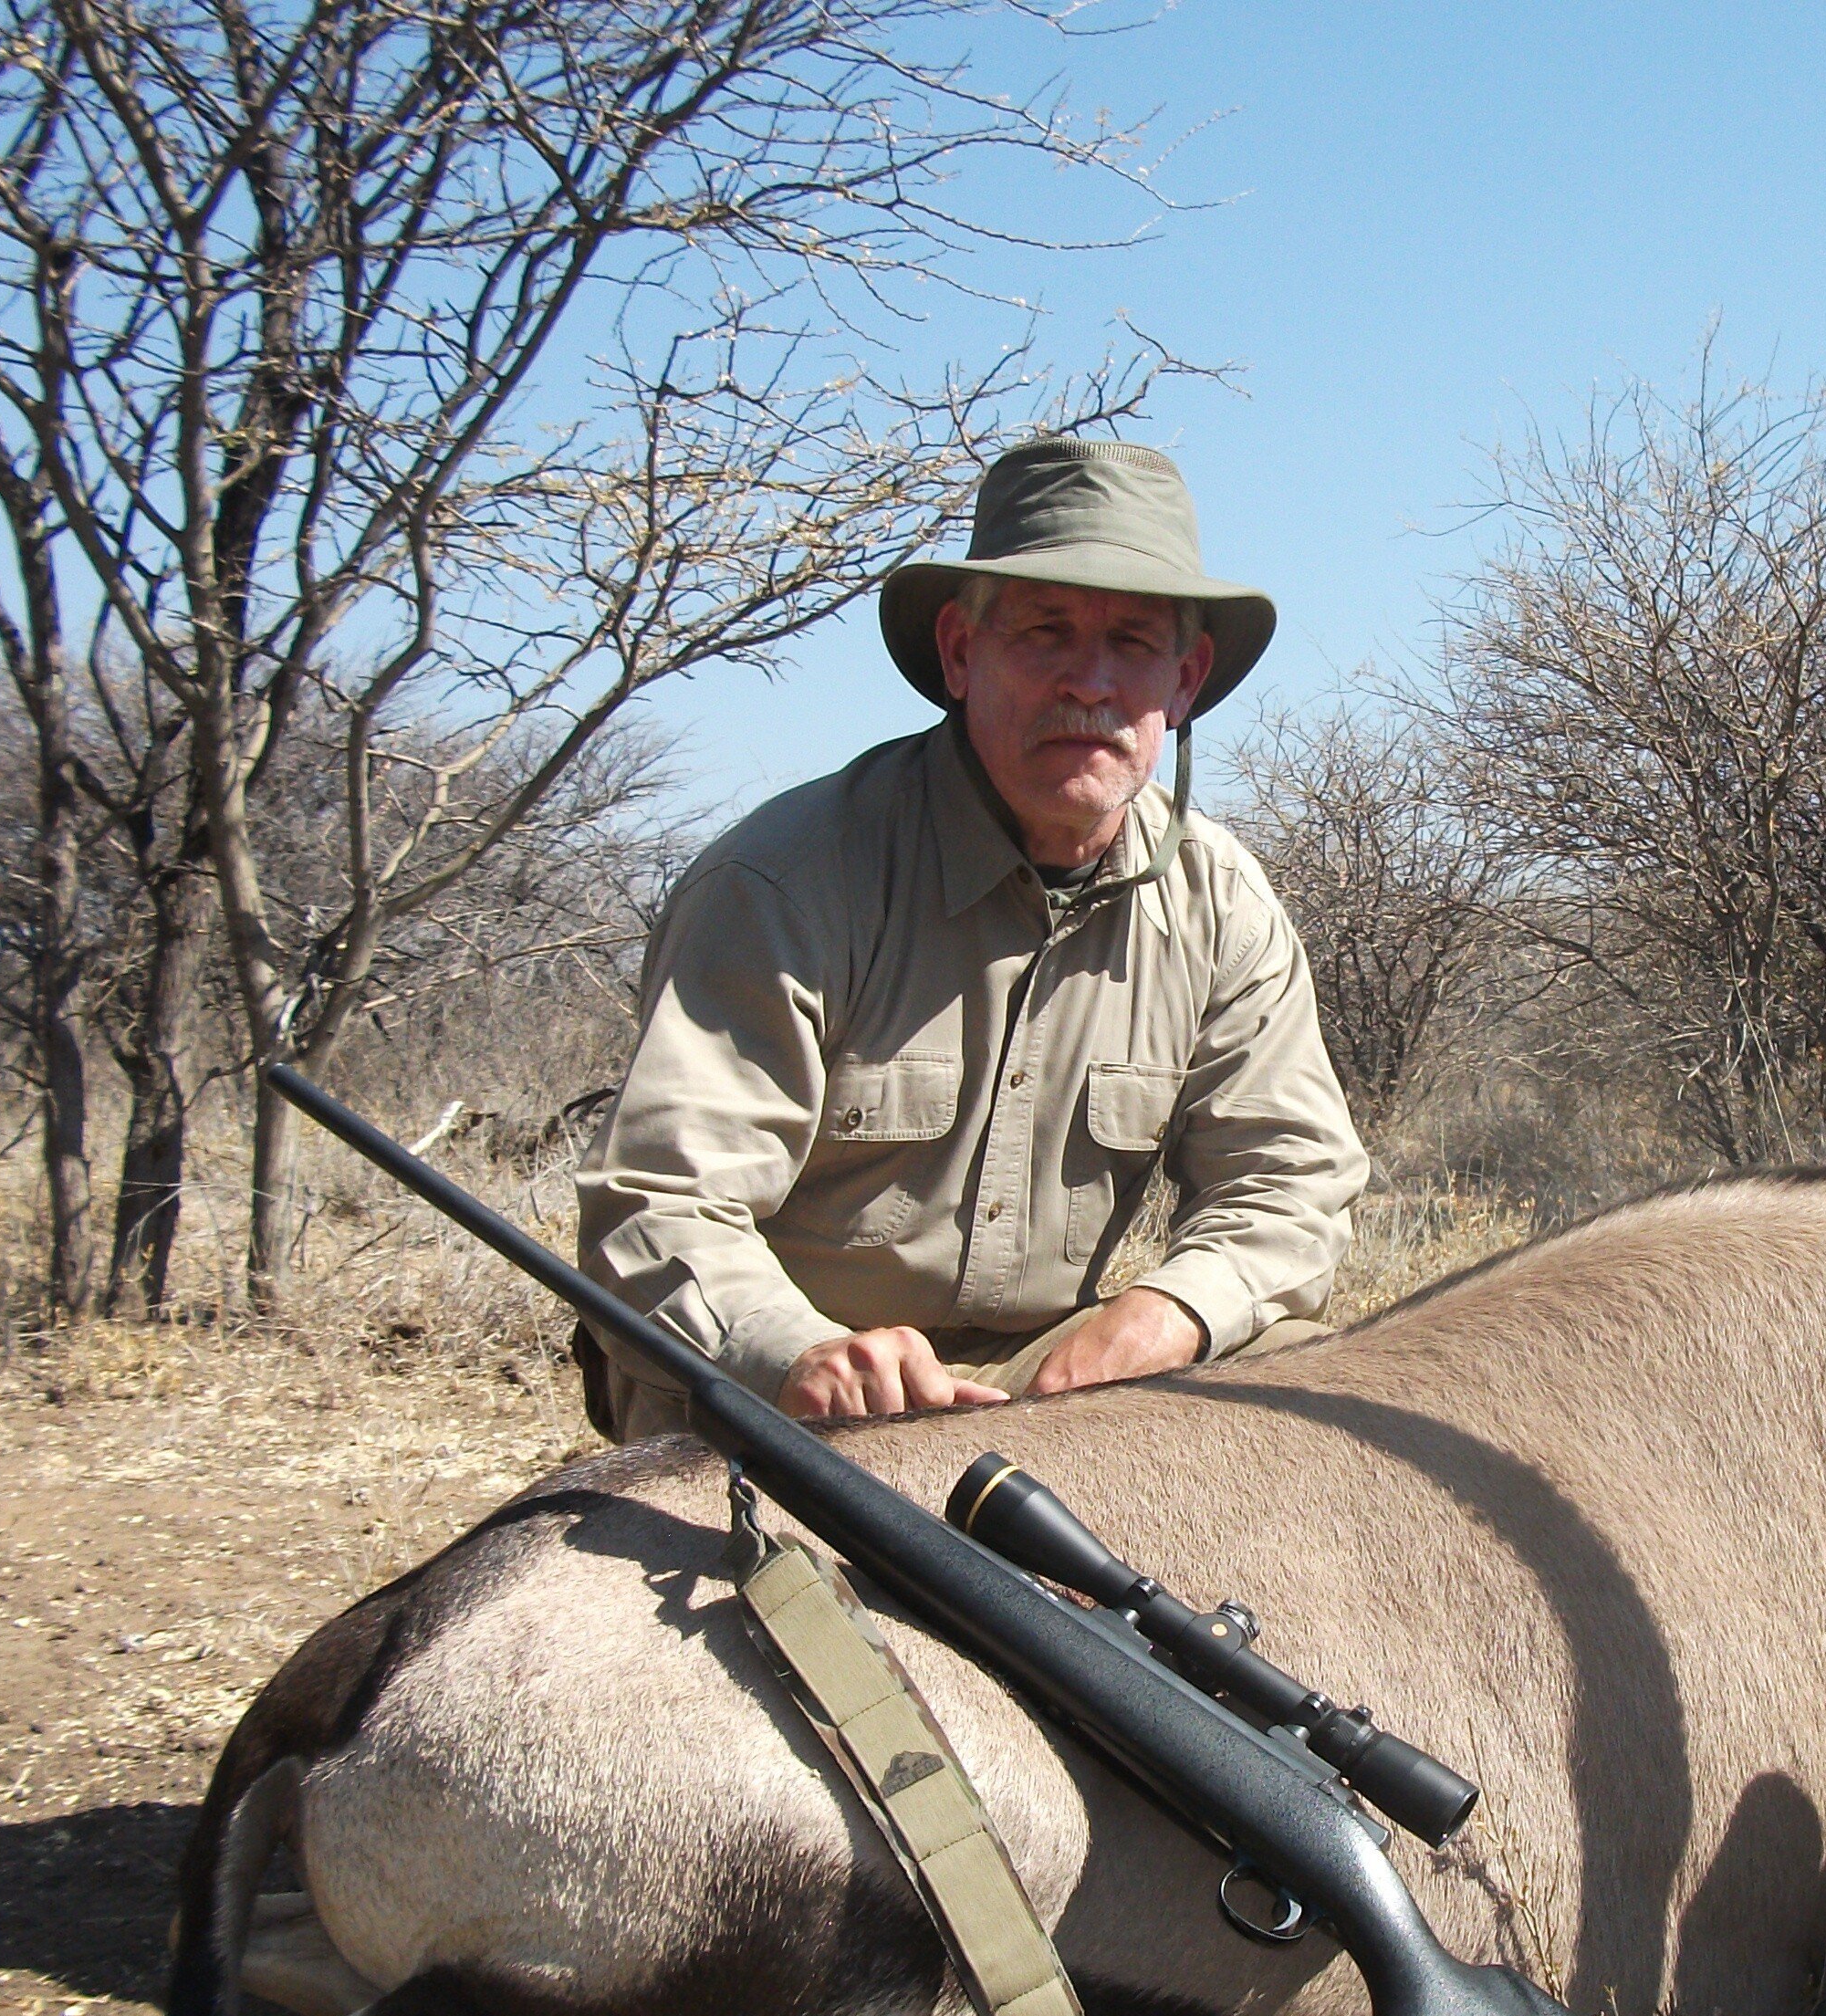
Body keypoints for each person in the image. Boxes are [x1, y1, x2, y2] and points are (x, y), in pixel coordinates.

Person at [576, 437, 1367, 1437]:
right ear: (959, 652)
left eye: (1132, 641)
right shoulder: (784, 881)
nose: (1090, 681)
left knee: (1325, 1391)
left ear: (1186, 677)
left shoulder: (1222, 903)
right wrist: (799, 1351)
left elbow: (1292, 1180)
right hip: (778, 1378)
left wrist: (1172, 1311)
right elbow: (659, 1202)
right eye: (1044, 630)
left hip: (1036, 1375)